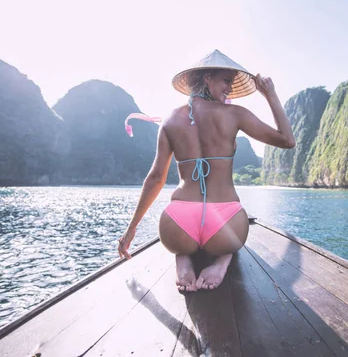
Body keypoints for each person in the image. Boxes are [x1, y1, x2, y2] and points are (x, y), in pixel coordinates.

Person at [117, 50, 295, 292]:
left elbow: (156, 178)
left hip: (177, 225)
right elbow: (287, 140)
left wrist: (131, 230)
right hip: (225, 225)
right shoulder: (235, 114)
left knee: (184, 246)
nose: (229, 89)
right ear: (208, 78)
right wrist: (270, 95)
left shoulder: (170, 120)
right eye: (226, 81)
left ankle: (184, 257)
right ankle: (221, 261)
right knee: (226, 246)